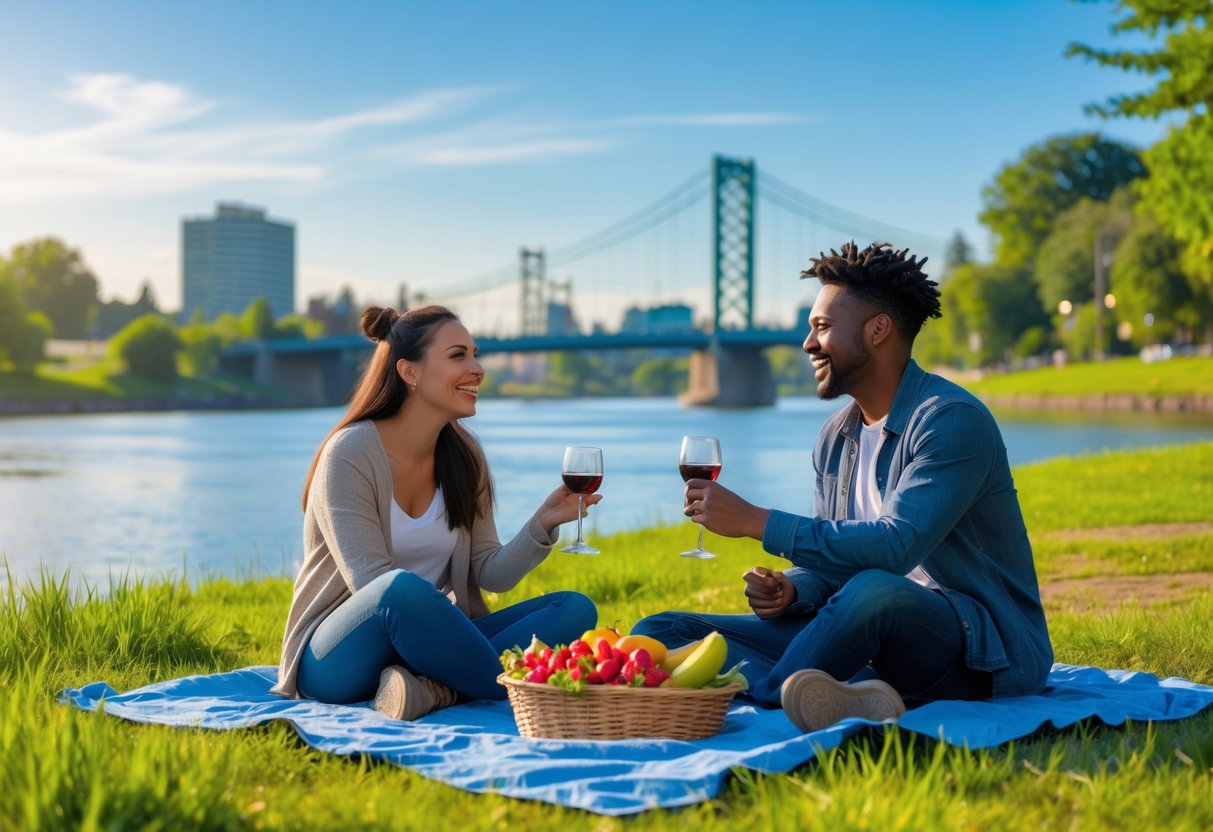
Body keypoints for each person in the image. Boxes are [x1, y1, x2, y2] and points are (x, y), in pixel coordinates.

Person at [633, 241, 1053, 733]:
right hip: (867, 636)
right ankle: (849, 695)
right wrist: (795, 588)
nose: (808, 344)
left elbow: (896, 547)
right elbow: (833, 566)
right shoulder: (837, 436)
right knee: (664, 633)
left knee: (875, 590)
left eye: (823, 328)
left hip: (979, 652)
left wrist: (755, 521)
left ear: (878, 330)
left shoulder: (949, 420)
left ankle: (774, 698)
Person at [271, 305, 599, 720]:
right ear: (410, 372)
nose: (478, 368)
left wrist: (542, 523)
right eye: (458, 355)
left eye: (475, 354)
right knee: (399, 588)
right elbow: (371, 586)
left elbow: (489, 572)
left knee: (573, 608)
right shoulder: (350, 454)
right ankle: (500, 685)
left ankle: (431, 689)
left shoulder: (466, 456)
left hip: (432, 643)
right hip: (338, 656)